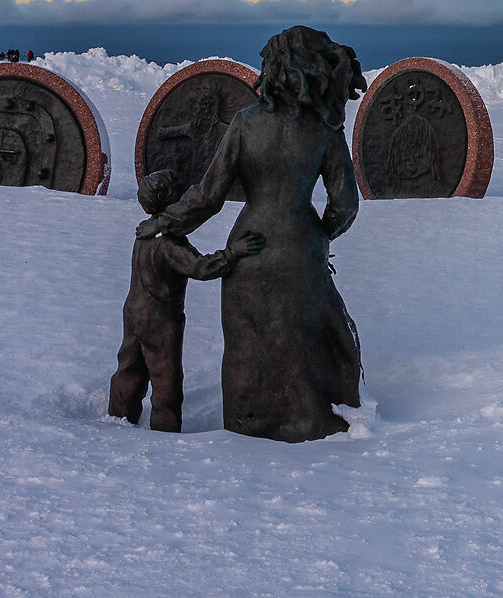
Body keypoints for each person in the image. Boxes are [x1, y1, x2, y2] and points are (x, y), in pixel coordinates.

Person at [143, 25, 365, 441]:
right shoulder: (324, 132)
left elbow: (208, 196)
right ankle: (310, 420)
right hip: (301, 246)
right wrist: (319, 236)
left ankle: (247, 426)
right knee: (303, 343)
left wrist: (165, 221)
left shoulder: (246, 123)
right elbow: (346, 205)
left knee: (248, 345)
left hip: (249, 249)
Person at [110, 172, 260, 433]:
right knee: (165, 375)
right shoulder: (169, 244)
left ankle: (120, 415)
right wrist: (234, 253)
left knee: (129, 367)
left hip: (133, 311)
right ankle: (164, 429)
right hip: (159, 319)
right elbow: (200, 268)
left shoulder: (144, 233)